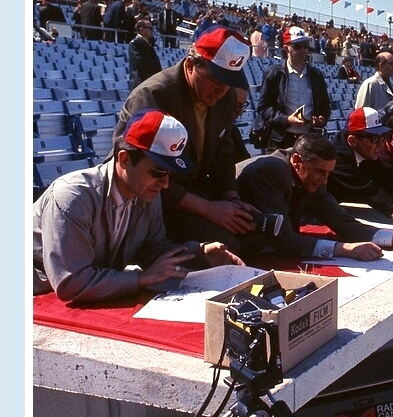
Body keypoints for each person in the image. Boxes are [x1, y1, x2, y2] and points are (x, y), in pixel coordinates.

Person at [33, 109, 244, 303]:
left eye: (170, 174)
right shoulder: (72, 197)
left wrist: (200, 253)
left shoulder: (146, 192)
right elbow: (71, 282)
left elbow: (153, 250)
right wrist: (141, 278)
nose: (165, 184)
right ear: (124, 160)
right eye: (158, 173)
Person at [112, 26, 260, 257]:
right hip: (154, 199)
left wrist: (230, 198)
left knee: (257, 231)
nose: (221, 90)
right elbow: (141, 170)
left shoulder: (225, 97)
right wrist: (209, 209)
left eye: (227, 82)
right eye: (214, 79)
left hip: (196, 192)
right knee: (228, 246)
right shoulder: (155, 95)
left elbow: (223, 155)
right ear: (190, 65)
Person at [236, 133, 393, 261]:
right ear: (297, 161)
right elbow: (283, 238)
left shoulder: (311, 177)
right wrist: (344, 249)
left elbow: (345, 224)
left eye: (329, 173)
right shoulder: (270, 171)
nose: (324, 180)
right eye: (320, 172)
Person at [256, 26, 331, 151]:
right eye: (297, 46)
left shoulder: (316, 75)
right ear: (286, 49)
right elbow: (264, 109)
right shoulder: (274, 73)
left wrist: (321, 118)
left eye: (305, 45)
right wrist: (286, 119)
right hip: (280, 140)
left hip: (308, 139)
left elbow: (325, 106)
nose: (303, 50)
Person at [128, 19, 162, 91]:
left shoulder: (148, 43)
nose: (152, 30)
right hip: (140, 84)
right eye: (149, 28)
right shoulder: (135, 43)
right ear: (141, 30)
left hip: (150, 82)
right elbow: (141, 64)